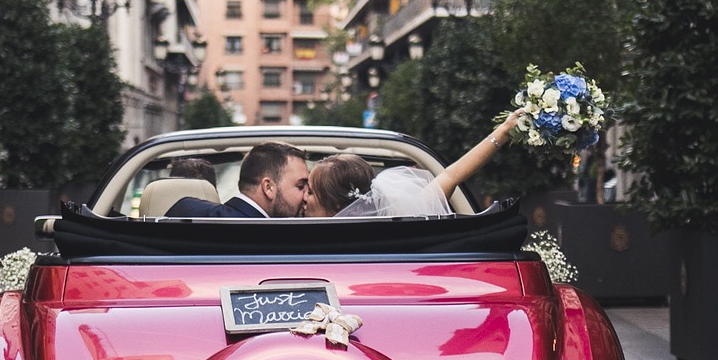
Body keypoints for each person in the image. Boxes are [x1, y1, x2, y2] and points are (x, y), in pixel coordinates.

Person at [309, 112, 524, 218]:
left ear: (334, 204)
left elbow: (451, 176)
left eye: (309, 191)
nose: (303, 197)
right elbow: (450, 176)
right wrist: (502, 132)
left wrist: (504, 131)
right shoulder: (406, 217)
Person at [166, 141, 310, 218]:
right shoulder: (281, 239)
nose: (306, 196)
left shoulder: (185, 211)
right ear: (268, 187)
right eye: (300, 186)